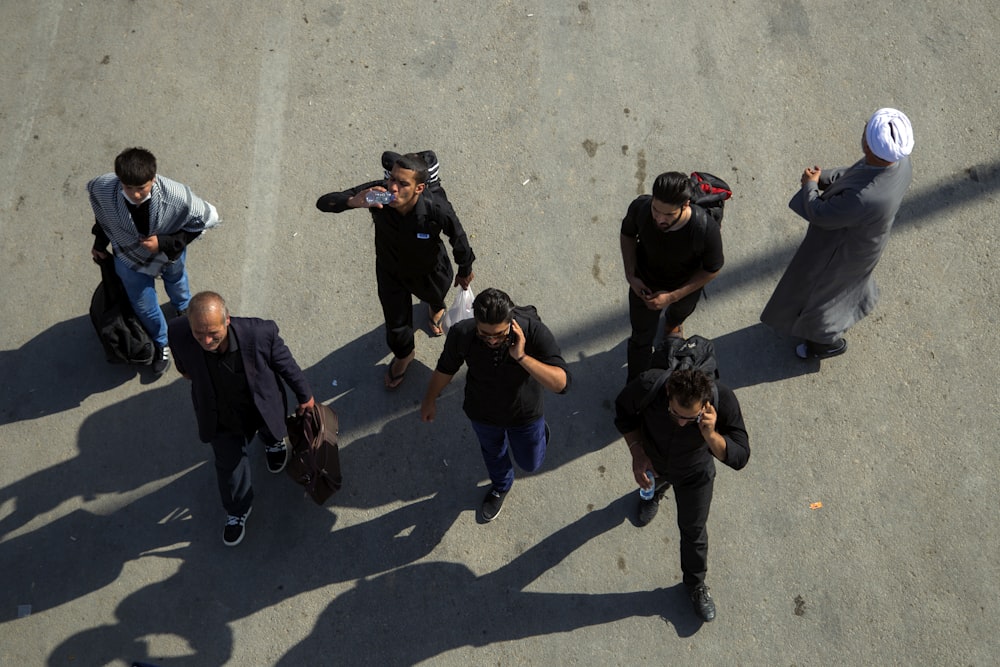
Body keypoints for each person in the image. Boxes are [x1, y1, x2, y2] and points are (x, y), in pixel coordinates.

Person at [760, 107, 914, 359]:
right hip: (864, 241)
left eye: (866, 127)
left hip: (842, 249)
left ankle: (823, 343)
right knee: (843, 287)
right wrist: (825, 179)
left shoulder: (865, 198)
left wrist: (809, 186)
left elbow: (821, 213)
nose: (864, 127)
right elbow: (858, 174)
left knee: (824, 293)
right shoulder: (899, 162)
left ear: (869, 145)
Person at [315, 151, 476, 389]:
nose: (393, 188)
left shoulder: (436, 208)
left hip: (429, 272)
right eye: (392, 179)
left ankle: (435, 307)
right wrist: (353, 201)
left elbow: (459, 238)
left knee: (435, 297)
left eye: (403, 183)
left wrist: (465, 269)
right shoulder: (376, 195)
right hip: (390, 272)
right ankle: (404, 356)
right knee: (397, 326)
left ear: (420, 188)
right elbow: (324, 203)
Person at [168, 292, 315, 546]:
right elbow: (179, 362)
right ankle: (237, 510)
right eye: (198, 334)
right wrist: (181, 368)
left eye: (213, 332)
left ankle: (272, 442)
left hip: (257, 405)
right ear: (190, 325)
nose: (206, 340)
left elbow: (286, 364)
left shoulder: (259, 333)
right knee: (228, 466)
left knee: (269, 428)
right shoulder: (179, 332)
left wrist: (306, 397)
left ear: (227, 320)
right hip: (219, 416)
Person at [420, 288, 570, 522]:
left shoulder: (532, 330)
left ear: (511, 323)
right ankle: (501, 485)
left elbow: (561, 383)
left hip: (525, 415)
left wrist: (521, 356)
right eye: (484, 334)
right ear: (475, 321)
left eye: (499, 335)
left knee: (530, 463)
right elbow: (445, 369)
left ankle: (540, 433)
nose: (491, 340)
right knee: (493, 453)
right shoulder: (463, 333)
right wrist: (429, 399)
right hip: (483, 413)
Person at [614, 368, 749, 623]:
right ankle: (655, 492)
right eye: (675, 414)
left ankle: (695, 585)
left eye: (692, 418)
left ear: (706, 405)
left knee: (693, 530)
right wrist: (637, 453)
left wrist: (710, 434)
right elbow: (623, 412)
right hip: (655, 463)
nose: (682, 422)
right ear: (667, 393)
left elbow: (740, 456)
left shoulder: (724, 400)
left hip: (694, 474)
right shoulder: (649, 386)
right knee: (654, 482)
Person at [89, 147, 219, 375]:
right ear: (119, 180)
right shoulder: (103, 189)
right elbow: (103, 218)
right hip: (128, 258)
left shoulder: (175, 196)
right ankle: (161, 342)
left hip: (169, 256)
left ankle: (183, 309)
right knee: (144, 306)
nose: (135, 194)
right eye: (128, 187)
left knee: (177, 281)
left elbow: (208, 217)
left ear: (154, 179)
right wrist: (100, 244)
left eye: (141, 188)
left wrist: (165, 243)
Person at [620, 171, 724, 381]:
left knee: (679, 313)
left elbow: (713, 269)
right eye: (656, 210)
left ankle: (672, 325)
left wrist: (672, 297)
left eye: (667, 215)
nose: (659, 218)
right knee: (640, 338)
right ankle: (637, 385)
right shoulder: (641, 208)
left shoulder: (705, 229)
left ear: (685, 205)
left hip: (684, 288)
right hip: (644, 284)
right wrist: (631, 275)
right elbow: (628, 234)